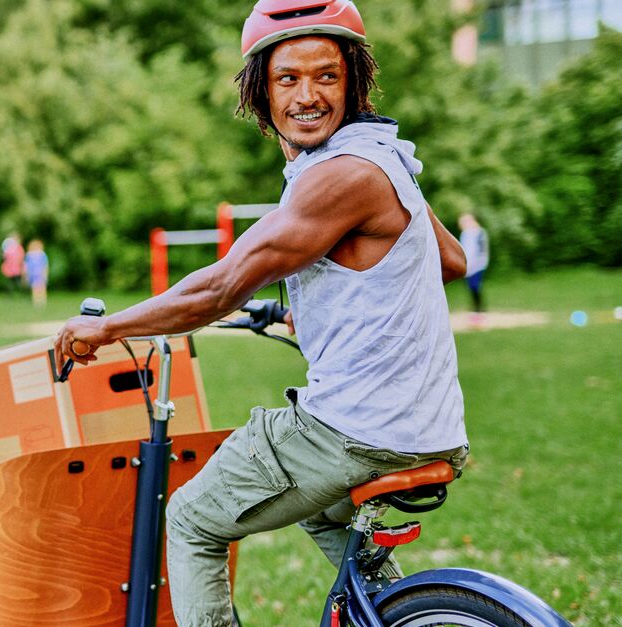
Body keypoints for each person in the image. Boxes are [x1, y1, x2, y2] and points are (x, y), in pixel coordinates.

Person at [54, 2, 470, 624]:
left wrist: (107, 327)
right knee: (326, 510)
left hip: (359, 430)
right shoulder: (385, 157)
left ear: (353, 82)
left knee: (193, 519)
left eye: (327, 76)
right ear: (260, 90)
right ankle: (396, 611)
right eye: (288, 79)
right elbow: (449, 259)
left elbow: (220, 287)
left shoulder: (342, 175)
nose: (308, 95)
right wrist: (327, 304)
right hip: (425, 425)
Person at [459, 213, 489, 325]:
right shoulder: (465, 234)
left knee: (475, 286)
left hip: (478, 264)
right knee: (471, 288)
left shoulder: (479, 232)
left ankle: (479, 311)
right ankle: (476, 310)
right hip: (469, 265)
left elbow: (481, 250)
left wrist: (478, 262)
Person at [23, 239, 49, 308]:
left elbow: (45, 265)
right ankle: (36, 301)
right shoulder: (29, 255)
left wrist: (45, 273)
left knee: (42, 287)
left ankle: (42, 300)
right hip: (33, 275)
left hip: (40, 274)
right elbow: (26, 265)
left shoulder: (42, 254)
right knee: (34, 288)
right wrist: (26, 274)